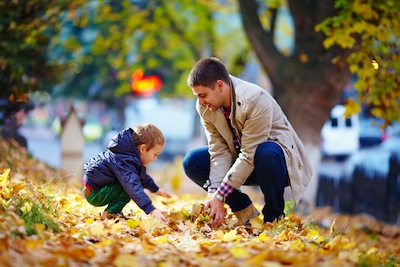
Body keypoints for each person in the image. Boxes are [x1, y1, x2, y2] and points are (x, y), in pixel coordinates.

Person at [182, 57, 313, 228]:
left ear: (220, 86)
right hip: (240, 160)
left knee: (266, 151)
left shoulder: (255, 100)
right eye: (197, 96)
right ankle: (244, 210)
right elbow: (219, 151)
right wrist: (214, 195)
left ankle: (273, 220)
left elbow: (250, 154)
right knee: (193, 161)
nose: (200, 101)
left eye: (203, 95)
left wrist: (220, 195)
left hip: (272, 164)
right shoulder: (206, 107)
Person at [82, 123, 171, 221]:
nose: (156, 159)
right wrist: (151, 210)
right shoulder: (124, 161)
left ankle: (113, 212)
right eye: (155, 154)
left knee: (130, 182)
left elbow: (143, 177)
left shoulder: (130, 157)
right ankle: (110, 214)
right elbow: (133, 186)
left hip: (98, 189)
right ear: (143, 148)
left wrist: (156, 189)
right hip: (95, 193)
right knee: (128, 187)